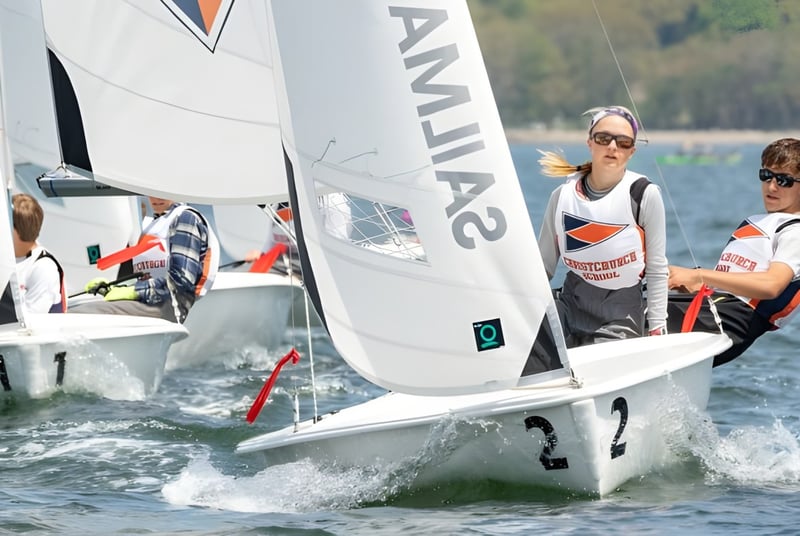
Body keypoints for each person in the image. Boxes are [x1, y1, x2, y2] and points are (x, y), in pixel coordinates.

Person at [537, 105, 668, 347]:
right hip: (570, 304)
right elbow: (542, 268)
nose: (612, 147)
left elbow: (657, 269)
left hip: (620, 313)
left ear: (632, 151)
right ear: (590, 143)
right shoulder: (561, 196)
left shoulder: (644, 195)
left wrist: (658, 329)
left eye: (623, 142)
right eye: (603, 138)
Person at [667, 137, 800, 367]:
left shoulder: (794, 230)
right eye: (766, 176)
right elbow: (723, 285)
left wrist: (699, 275)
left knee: (624, 321)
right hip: (710, 305)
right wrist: (677, 279)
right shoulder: (757, 223)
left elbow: (771, 285)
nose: (771, 186)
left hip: (733, 320)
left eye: (784, 180)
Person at [70, 196, 219, 324]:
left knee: (80, 313)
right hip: (149, 302)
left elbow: (181, 281)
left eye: (162, 192)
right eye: (152, 191)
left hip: (169, 306)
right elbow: (148, 274)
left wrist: (134, 291)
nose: (156, 198)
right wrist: (116, 289)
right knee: (75, 308)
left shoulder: (186, 218)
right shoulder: (154, 224)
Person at [0, 193, 66, 322]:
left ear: (15, 232)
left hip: (27, 339)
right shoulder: (6, 258)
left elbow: (32, 321)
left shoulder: (43, 268)